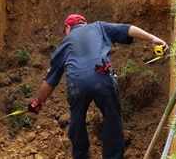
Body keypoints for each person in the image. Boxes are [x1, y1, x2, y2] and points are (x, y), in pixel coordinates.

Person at [27, 14, 167, 159]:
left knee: (77, 121)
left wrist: (39, 101)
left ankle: (80, 155)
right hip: (102, 76)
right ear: (84, 24)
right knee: (112, 119)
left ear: (68, 28)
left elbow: (50, 81)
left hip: (76, 84)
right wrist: (152, 38)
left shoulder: (64, 44)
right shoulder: (99, 27)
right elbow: (127, 29)